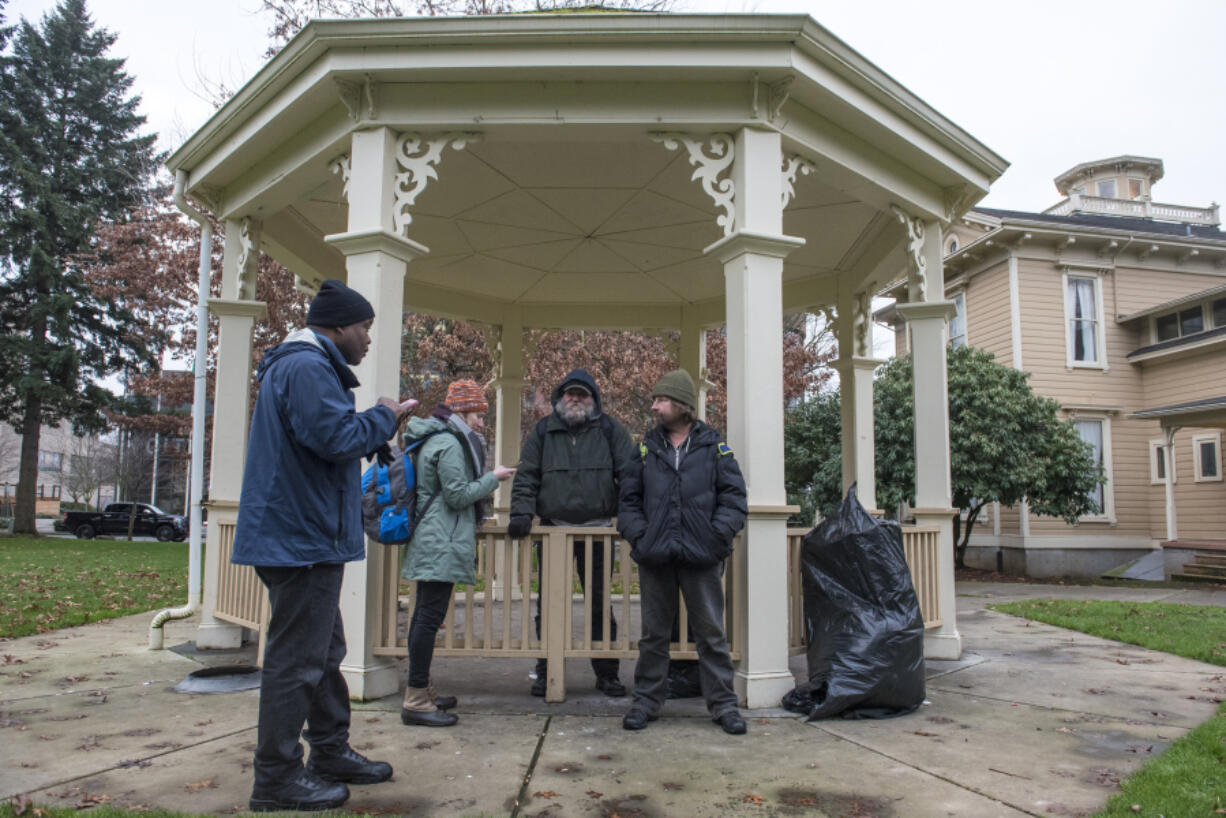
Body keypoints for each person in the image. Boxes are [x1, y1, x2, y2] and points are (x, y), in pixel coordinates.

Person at [232, 279, 412, 812]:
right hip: (299, 539)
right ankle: (277, 778)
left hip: (302, 537)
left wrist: (372, 431)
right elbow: (335, 439)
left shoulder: (302, 367)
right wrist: (383, 414)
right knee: (296, 661)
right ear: (337, 327)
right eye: (364, 328)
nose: (368, 339)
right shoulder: (308, 368)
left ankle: (329, 751)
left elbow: (322, 438)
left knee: (324, 651)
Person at [617, 369, 749, 736]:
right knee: (653, 636)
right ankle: (645, 702)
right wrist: (641, 539)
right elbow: (627, 501)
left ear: (681, 405)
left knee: (711, 634)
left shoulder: (713, 447)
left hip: (701, 557)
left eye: (660, 400)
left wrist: (716, 537)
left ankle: (724, 707)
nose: (654, 406)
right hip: (656, 556)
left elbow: (734, 499)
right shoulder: (645, 448)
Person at [507, 369, 637, 698]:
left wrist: (627, 513)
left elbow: (631, 474)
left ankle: (607, 673)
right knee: (550, 603)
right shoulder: (542, 432)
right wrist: (522, 511)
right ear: (559, 398)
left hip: (599, 533)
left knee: (599, 603)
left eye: (583, 394)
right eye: (570, 394)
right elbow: (526, 476)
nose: (575, 399)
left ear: (594, 399)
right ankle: (547, 668)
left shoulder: (610, 430)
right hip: (553, 533)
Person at [399, 379, 516, 727]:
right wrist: (493, 478)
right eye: (478, 414)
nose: (482, 422)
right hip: (441, 540)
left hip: (436, 539)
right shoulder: (449, 444)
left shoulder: (439, 438)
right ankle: (416, 700)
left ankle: (422, 689)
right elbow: (458, 494)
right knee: (426, 620)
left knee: (425, 618)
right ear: (463, 411)